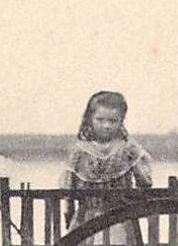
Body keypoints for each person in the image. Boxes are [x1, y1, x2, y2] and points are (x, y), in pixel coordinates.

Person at [63, 90, 154, 227]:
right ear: (90, 119)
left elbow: (145, 183)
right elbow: (68, 190)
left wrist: (132, 201)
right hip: (86, 220)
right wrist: (68, 214)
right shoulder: (79, 152)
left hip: (120, 218)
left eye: (113, 121)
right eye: (100, 120)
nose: (106, 126)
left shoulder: (128, 149)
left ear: (121, 121)